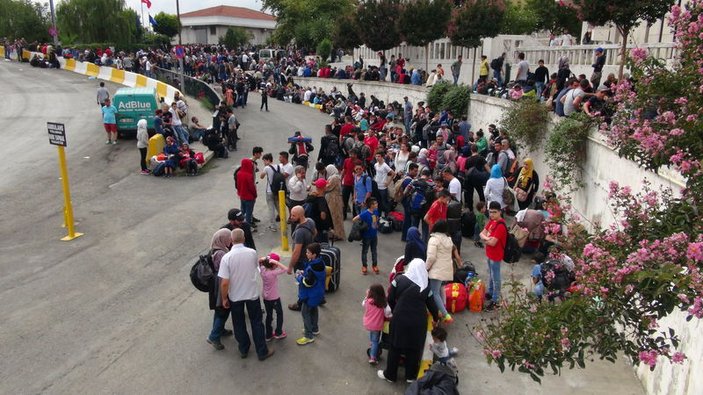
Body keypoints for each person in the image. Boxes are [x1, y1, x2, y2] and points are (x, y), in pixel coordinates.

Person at [378, 258, 440, 383]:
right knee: (414, 348)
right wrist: (436, 319)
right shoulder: (425, 286)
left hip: (400, 318)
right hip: (418, 322)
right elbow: (433, 306)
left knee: (395, 346)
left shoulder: (398, 280)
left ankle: (390, 375)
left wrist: (396, 310)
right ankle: (410, 376)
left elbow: (389, 298)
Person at [218, 229, 275, 360]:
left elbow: (225, 283)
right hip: (252, 294)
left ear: (231, 241)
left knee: (238, 323)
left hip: (235, 296)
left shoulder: (226, 258)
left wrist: (224, 298)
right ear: (243, 239)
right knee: (256, 322)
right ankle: (262, 351)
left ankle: (243, 348)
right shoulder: (252, 253)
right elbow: (256, 267)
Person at [205, 228, 234, 351]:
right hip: (221, 285)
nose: (230, 240)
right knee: (223, 309)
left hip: (216, 285)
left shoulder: (216, 249)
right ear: (222, 239)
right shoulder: (221, 254)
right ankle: (214, 336)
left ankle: (220, 330)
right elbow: (224, 272)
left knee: (219, 310)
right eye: (228, 238)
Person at [426, 219, 459, 324]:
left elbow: (431, 257)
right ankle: (442, 308)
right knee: (441, 289)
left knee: (434, 293)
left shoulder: (434, 240)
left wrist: (426, 268)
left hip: (436, 270)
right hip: (445, 270)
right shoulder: (448, 239)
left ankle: (445, 315)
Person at [295, 242, 326, 345]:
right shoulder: (319, 263)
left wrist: (299, 277)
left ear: (314, 255)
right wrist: (305, 273)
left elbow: (307, 283)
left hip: (310, 295)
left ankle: (308, 335)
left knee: (305, 312)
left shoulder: (312, 268)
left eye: (308, 252)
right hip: (318, 293)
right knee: (313, 310)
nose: (306, 254)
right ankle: (314, 328)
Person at [480, 201, 508, 310]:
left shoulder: (500, 225)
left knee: (496, 277)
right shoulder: (492, 221)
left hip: (496, 255)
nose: (491, 214)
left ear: (500, 212)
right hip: (489, 253)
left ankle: (496, 300)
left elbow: (493, 243)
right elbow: (481, 234)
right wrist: (487, 238)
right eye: (490, 212)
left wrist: (485, 239)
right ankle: (491, 293)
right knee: (491, 274)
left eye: (494, 212)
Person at [259, 252, 288, 341]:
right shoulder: (273, 273)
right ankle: (278, 332)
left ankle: (268, 335)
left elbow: (259, 262)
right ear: (273, 264)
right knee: (279, 314)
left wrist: (265, 259)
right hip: (274, 297)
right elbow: (285, 269)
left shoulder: (263, 269)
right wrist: (277, 263)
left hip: (266, 297)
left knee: (269, 315)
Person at [363, 283, 392, 365]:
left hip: (368, 323)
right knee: (376, 340)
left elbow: (363, 304)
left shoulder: (368, 301)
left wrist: (367, 296)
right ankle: (372, 358)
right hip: (377, 325)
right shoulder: (383, 303)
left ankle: (372, 343)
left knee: (372, 334)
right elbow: (388, 312)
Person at [354, 197, 380, 275]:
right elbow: (354, 219)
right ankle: (364, 266)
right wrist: (361, 226)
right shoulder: (365, 214)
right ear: (371, 205)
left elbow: (376, 220)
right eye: (375, 203)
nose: (377, 204)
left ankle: (374, 265)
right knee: (365, 252)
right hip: (366, 237)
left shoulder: (376, 212)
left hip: (374, 235)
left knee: (374, 251)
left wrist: (376, 225)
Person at [324, 165, 346, 241]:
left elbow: (328, 187)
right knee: (333, 217)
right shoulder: (334, 177)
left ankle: (337, 234)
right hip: (333, 199)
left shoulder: (334, 178)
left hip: (334, 200)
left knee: (335, 217)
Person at [307, 178, 333, 242]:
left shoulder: (312, 197)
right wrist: (328, 227)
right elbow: (323, 215)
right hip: (320, 228)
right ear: (324, 188)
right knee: (322, 246)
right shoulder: (321, 200)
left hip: (312, 225)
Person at [260, 153, 281, 232]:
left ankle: (273, 226)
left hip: (269, 191)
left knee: (271, 209)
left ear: (268, 160)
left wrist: (265, 169)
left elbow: (261, 177)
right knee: (279, 207)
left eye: (264, 161)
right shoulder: (279, 167)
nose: (264, 163)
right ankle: (283, 223)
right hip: (277, 191)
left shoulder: (267, 168)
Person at [236, 158, 257, 225]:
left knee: (242, 211)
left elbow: (238, 185)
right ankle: (247, 226)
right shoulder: (249, 175)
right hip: (249, 197)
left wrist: (239, 193)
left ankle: (240, 224)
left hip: (242, 196)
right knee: (249, 213)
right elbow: (252, 187)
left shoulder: (239, 173)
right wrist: (255, 194)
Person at [374, 151, 395, 217]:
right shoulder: (376, 165)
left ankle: (387, 216)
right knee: (378, 202)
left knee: (385, 203)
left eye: (379, 156)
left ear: (382, 157)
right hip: (377, 185)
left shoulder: (385, 165)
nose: (377, 158)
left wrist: (388, 182)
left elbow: (393, 173)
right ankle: (379, 215)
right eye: (376, 156)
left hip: (383, 187)